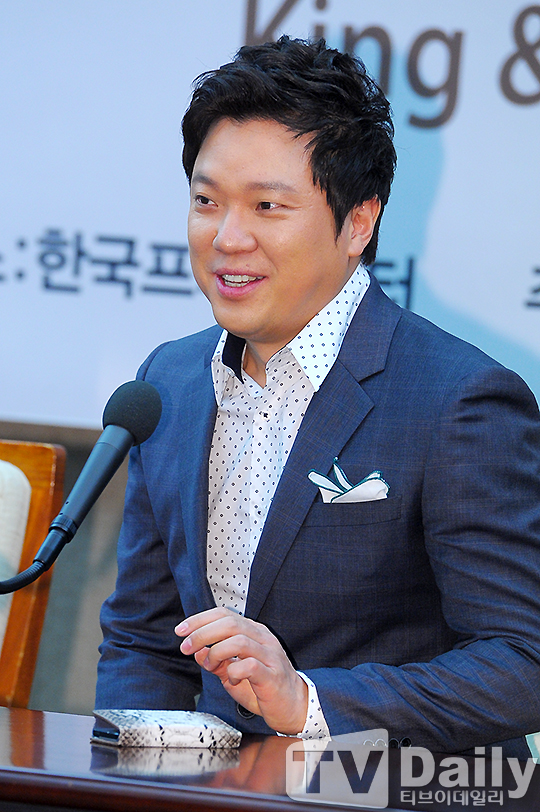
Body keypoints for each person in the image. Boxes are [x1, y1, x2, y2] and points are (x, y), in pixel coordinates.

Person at [96, 36, 540, 757]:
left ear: (358, 222)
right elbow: (143, 641)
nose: (227, 237)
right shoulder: (168, 382)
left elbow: (523, 661)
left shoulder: (459, 400)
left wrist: (308, 702)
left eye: (267, 206)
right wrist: (136, 778)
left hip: (398, 790)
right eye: (206, 201)